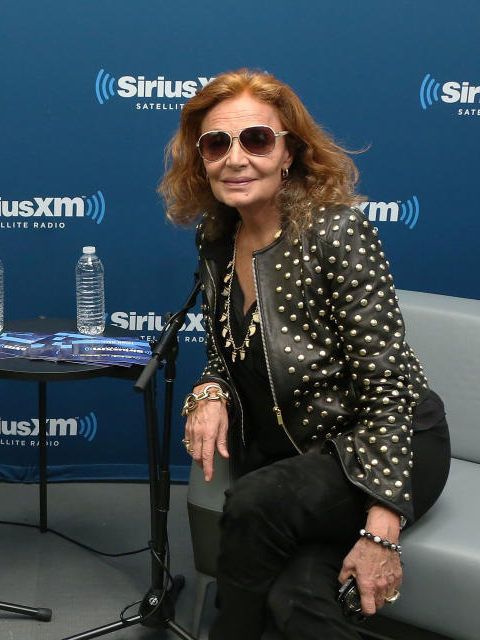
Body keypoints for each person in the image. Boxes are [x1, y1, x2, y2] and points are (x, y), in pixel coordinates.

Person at [159, 69, 450, 639]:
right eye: (217, 143)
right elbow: (229, 348)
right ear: (202, 159)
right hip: (297, 462)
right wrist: (211, 388)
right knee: (297, 601)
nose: (235, 158)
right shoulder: (216, 237)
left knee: (255, 502)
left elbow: (390, 390)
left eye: (257, 139)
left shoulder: (337, 233)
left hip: (390, 444)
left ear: (288, 151)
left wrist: (381, 529)